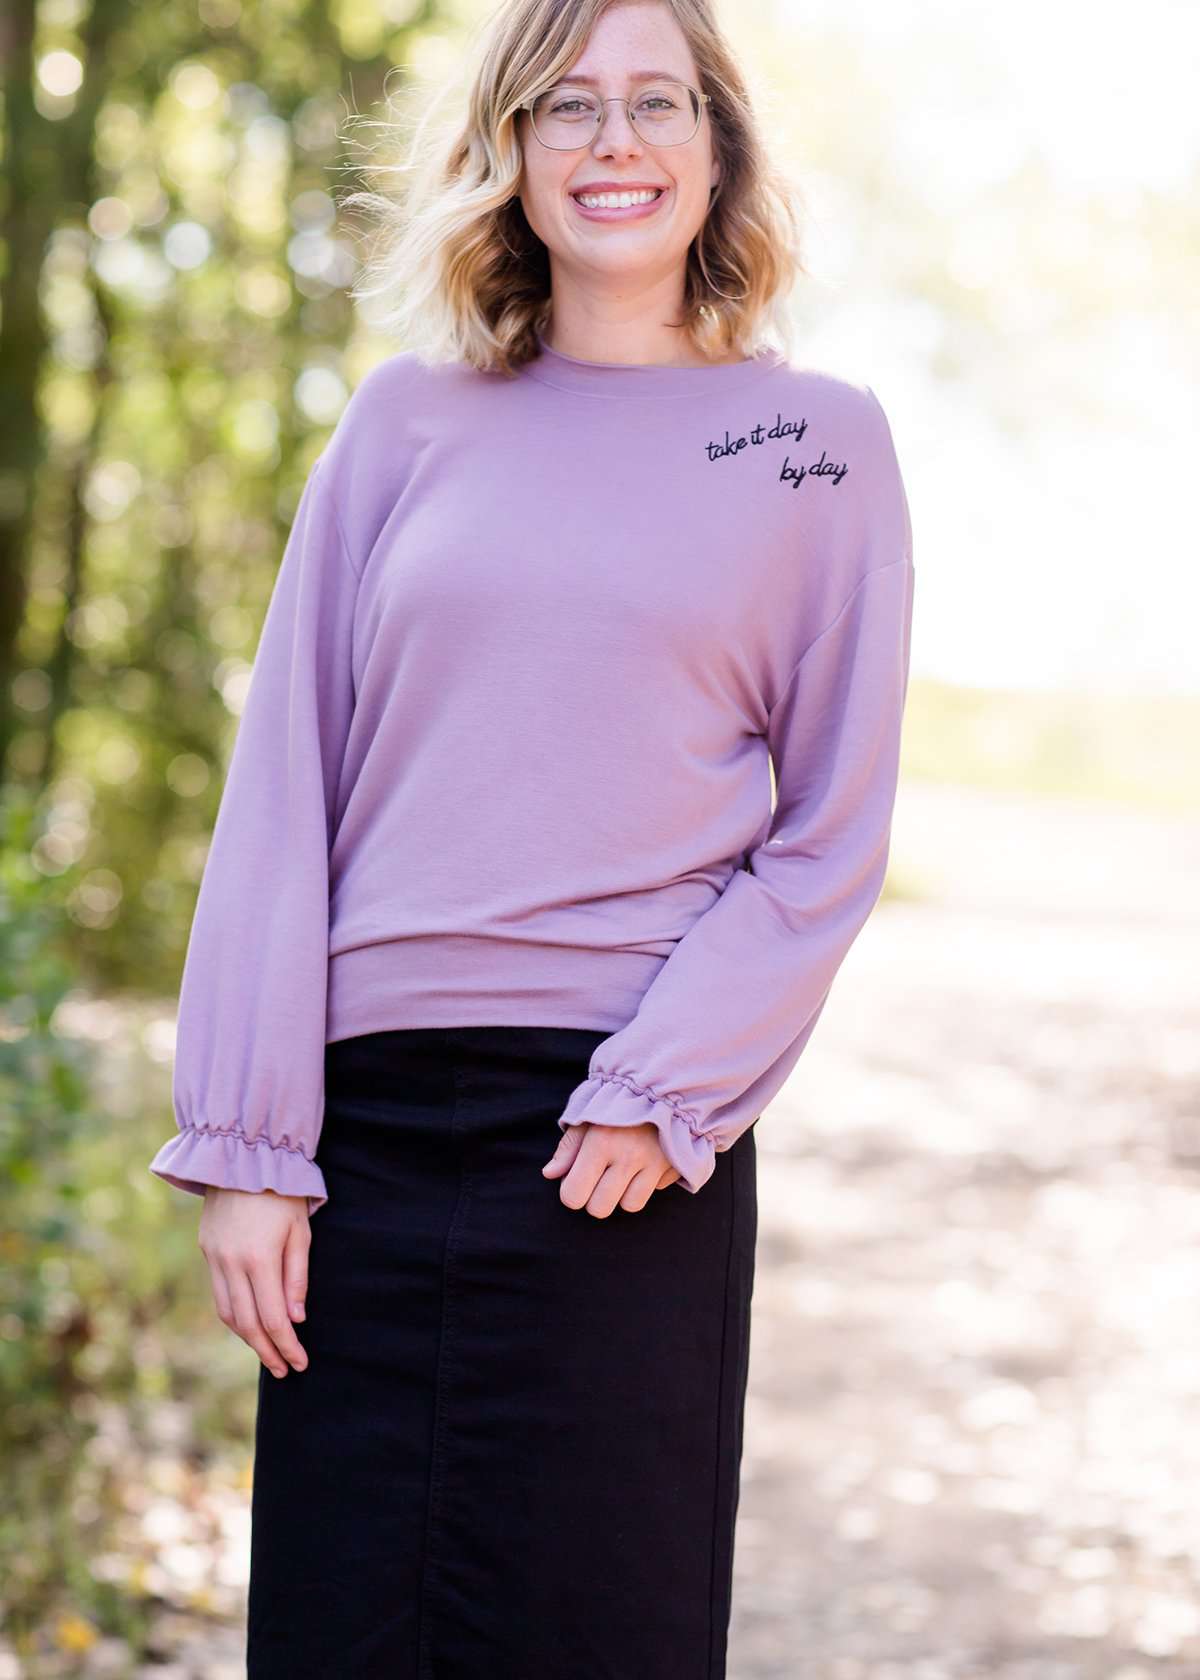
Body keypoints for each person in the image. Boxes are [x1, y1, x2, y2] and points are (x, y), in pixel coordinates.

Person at [148, 0, 916, 1674]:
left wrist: (673, 1086)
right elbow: (287, 789)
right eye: (567, 108)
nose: (614, 143)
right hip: (362, 1144)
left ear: (719, 149)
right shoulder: (402, 427)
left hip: (616, 1141)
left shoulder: (816, 446)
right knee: (348, 1634)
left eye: (655, 105)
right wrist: (250, 1144)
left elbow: (829, 832)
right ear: (507, 152)